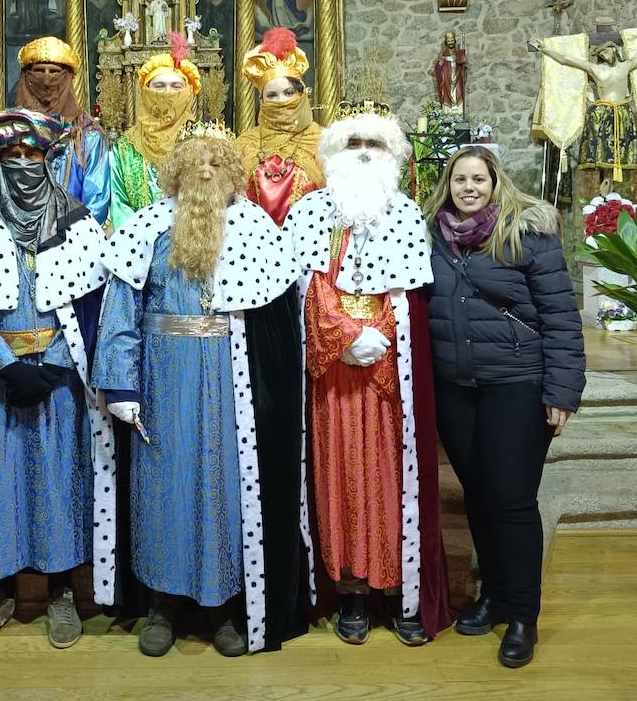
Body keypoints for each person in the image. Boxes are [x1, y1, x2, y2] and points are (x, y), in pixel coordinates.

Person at [92, 124, 309, 657]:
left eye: (216, 163)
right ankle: (162, 605)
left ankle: (224, 606)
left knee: (223, 487)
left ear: (234, 174)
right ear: (176, 173)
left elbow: (278, 324)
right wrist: (120, 382)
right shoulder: (146, 226)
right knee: (164, 486)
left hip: (229, 379)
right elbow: (121, 311)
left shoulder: (257, 228)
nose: (205, 171)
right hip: (163, 380)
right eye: (194, 163)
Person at [0, 109, 114, 651]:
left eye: (32, 155)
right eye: (9, 156)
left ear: (49, 158)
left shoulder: (79, 222)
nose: (22, 165)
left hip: (60, 381)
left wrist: (55, 363)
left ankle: (62, 593)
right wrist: (4, 366)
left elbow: (96, 307)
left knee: (60, 482)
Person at [285, 103, 453, 647]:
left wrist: (377, 332)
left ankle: (399, 589)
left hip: (389, 372)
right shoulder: (311, 213)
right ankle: (352, 592)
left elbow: (408, 296)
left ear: (392, 155)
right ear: (332, 153)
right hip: (333, 374)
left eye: (373, 143)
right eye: (352, 141)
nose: (362, 151)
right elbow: (307, 288)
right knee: (338, 477)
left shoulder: (405, 214)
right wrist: (343, 335)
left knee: (390, 477)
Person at [422, 145, 585, 669]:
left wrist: (561, 392)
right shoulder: (431, 237)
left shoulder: (527, 235)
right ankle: (491, 592)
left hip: (516, 382)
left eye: (479, 180)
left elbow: (562, 317)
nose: (469, 188)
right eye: (460, 180)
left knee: (512, 499)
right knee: (478, 493)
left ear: (496, 184)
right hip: (456, 385)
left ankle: (522, 615)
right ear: (448, 185)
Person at [529, 22, 637, 183]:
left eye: (610, 49)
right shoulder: (595, 69)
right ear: (599, 54)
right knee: (603, 154)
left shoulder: (626, 66)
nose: (607, 52)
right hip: (601, 114)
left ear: (616, 50)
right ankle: (604, 189)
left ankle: (612, 191)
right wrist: (545, 49)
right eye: (603, 51)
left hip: (622, 113)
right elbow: (565, 59)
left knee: (620, 152)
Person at [0, 37, 111, 226]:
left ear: (68, 78)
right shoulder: (6, 131)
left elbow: (96, 199)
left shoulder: (88, 135)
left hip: (72, 240)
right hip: (10, 236)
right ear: (26, 76)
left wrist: (69, 236)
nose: (47, 80)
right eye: (39, 71)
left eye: (55, 72)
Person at [108, 31, 200, 229]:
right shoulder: (125, 148)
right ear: (145, 92)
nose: (168, 93)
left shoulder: (204, 142)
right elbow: (119, 203)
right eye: (159, 86)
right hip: (138, 246)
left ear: (188, 94)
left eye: (176, 86)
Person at [236, 28, 323, 224]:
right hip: (256, 245)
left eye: (288, 93)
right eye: (272, 95)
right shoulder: (244, 144)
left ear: (301, 94)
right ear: (262, 100)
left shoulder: (323, 140)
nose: (281, 101)